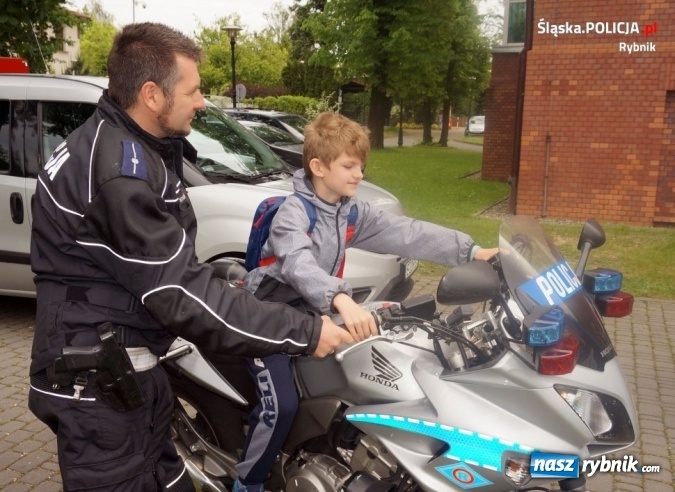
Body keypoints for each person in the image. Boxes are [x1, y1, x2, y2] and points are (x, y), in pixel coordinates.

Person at [27, 23, 352, 492]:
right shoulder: (119, 173)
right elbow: (181, 292)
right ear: (152, 95)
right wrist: (305, 331)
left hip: (132, 373)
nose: (201, 102)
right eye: (193, 90)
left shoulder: (131, 145)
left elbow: (159, 265)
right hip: (99, 388)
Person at [234, 112, 498, 492]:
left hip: (310, 310)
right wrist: (340, 298)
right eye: (349, 166)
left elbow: (407, 233)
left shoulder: (348, 211)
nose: (359, 174)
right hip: (268, 315)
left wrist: (471, 251)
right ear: (318, 167)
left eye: (361, 165)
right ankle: (248, 482)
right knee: (281, 405)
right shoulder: (294, 213)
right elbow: (296, 262)